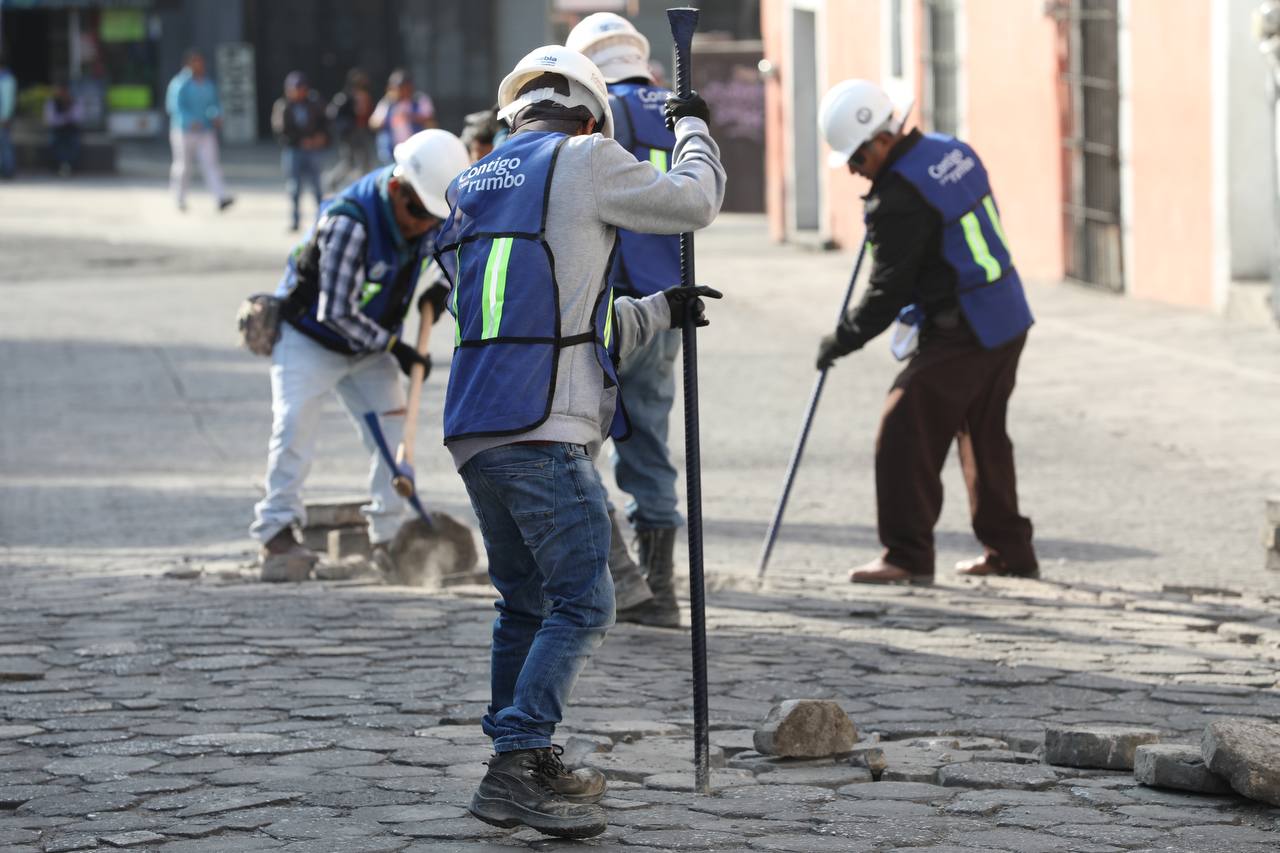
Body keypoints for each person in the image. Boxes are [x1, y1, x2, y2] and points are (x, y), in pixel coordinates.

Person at [434, 45, 723, 839]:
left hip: (475, 429)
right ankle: (518, 761)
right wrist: (693, 129)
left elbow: (554, 322)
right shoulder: (587, 157)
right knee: (587, 599)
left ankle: (519, 755)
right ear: (591, 114)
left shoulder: (473, 182)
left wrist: (660, 309)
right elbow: (693, 203)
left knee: (522, 603)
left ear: (513, 114)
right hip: (544, 430)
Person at [814, 79, 1037, 586]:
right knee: (983, 434)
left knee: (902, 429)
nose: (852, 169)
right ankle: (1011, 550)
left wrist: (842, 338)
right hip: (1007, 313)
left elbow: (886, 293)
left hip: (966, 329)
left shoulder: (898, 197)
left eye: (856, 157)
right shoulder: (949, 148)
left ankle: (907, 556)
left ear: (883, 140)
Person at [250, 129, 470, 583]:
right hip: (311, 337)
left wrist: (442, 290)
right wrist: (397, 348)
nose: (424, 226)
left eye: (434, 217)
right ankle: (275, 533)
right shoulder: (350, 221)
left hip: (367, 346)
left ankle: (389, 535)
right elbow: (336, 313)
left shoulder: (429, 216)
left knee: (395, 437)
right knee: (293, 427)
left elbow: (457, 254)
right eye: (417, 213)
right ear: (396, 187)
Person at [566, 11, 687, 628]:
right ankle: (660, 591)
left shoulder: (594, 118)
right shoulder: (678, 109)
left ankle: (618, 579)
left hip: (606, 308)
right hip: (670, 308)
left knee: (569, 445)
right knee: (650, 448)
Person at [165, 50, 234, 211]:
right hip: (184, 131)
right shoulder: (179, 83)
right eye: (196, 62)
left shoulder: (208, 84)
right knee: (183, 166)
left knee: (211, 164)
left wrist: (216, 116)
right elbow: (175, 106)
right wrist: (190, 121)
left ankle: (221, 196)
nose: (199, 66)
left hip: (205, 131)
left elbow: (214, 104)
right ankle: (179, 198)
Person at [271, 71, 328, 232]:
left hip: (313, 150)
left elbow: (325, 123)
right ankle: (295, 220)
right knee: (294, 187)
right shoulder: (283, 106)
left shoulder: (315, 103)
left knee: (317, 186)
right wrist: (300, 141)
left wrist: (319, 138)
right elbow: (280, 131)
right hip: (293, 151)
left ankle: (322, 217)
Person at [324, 68, 377, 192]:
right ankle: (333, 181)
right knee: (349, 161)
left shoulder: (365, 95)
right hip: (350, 134)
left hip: (361, 131)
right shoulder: (345, 97)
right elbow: (334, 114)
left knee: (365, 161)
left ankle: (364, 187)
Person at [370, 69, 436, 163]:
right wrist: (382, 121)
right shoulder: (387, 103)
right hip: (392, 152)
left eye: (402, 87)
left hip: (417, 150)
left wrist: (409, 117)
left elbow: (430, 119)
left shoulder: (420, 99)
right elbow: (373, 123)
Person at [44, 81, 82, 176]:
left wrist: (66, 118)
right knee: (54, 143)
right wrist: (64, 119)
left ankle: (69, 166)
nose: (63, 94)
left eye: (65, 92)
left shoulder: (74, 101)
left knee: (74, 145)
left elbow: (78, 117)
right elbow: (50, 119)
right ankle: (60, 165)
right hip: (58, 130)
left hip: (71, 129)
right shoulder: (52, 102)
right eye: (60, 92)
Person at [0, 55, 17, 179]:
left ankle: (8, 170)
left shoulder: (6, 79)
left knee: (5, 145)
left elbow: (7, 100)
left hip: (3, 119)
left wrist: (5, 117)